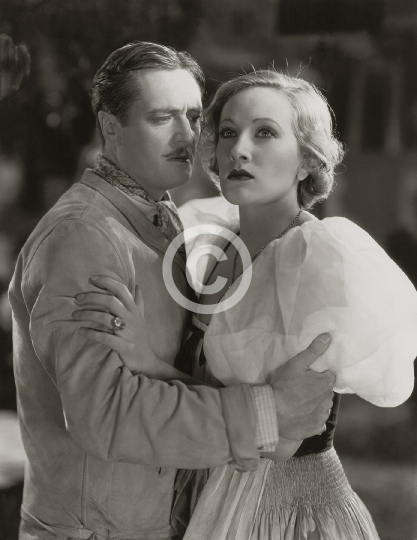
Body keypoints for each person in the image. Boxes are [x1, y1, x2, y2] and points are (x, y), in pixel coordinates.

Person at [8, 43, 336, 540]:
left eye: (193, 117)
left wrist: (149, 360)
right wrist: (267, 412)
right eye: (162, 118)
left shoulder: (161, 223)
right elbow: (107, 415)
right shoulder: (83, 237)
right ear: (111, 127)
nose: (186, 136)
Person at [74, 69, 417, 539]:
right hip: (212, 490)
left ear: (306, 160)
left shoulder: (316, 257)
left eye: (265, 133)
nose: (239, 149)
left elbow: (281, 438)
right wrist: (144, 355)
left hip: (286, 511)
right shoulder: (216, 247)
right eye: (229, 133)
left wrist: (148, 364)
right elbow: (224, 393)